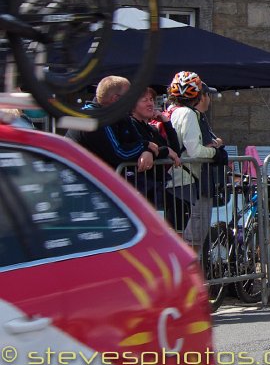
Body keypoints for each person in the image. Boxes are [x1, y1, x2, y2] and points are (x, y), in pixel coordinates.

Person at [166, 72, 226, 250]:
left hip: (174, 180)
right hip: (186, 181)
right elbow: (195, 151)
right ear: (199, 95)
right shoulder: (188, 114)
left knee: (177, 235)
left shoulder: (172, 110)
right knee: (189, 241)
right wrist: (215, 152)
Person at [65, 76, 159, 171]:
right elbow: (120, 153)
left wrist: (147, 149)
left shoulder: (118, 116)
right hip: (78, 180)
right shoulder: (93, 118)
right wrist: (146, 147)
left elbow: (139, 140)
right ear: (116, 99)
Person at [130, 87, 182, 224]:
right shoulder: (131, 125)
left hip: (154, 189)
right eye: (144, 100)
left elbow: (175, 150)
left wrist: (166, 122)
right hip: (140, 189)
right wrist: (164, 151)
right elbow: (143, 148)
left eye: (151, 100)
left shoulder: (151, 128)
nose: (150, 103)